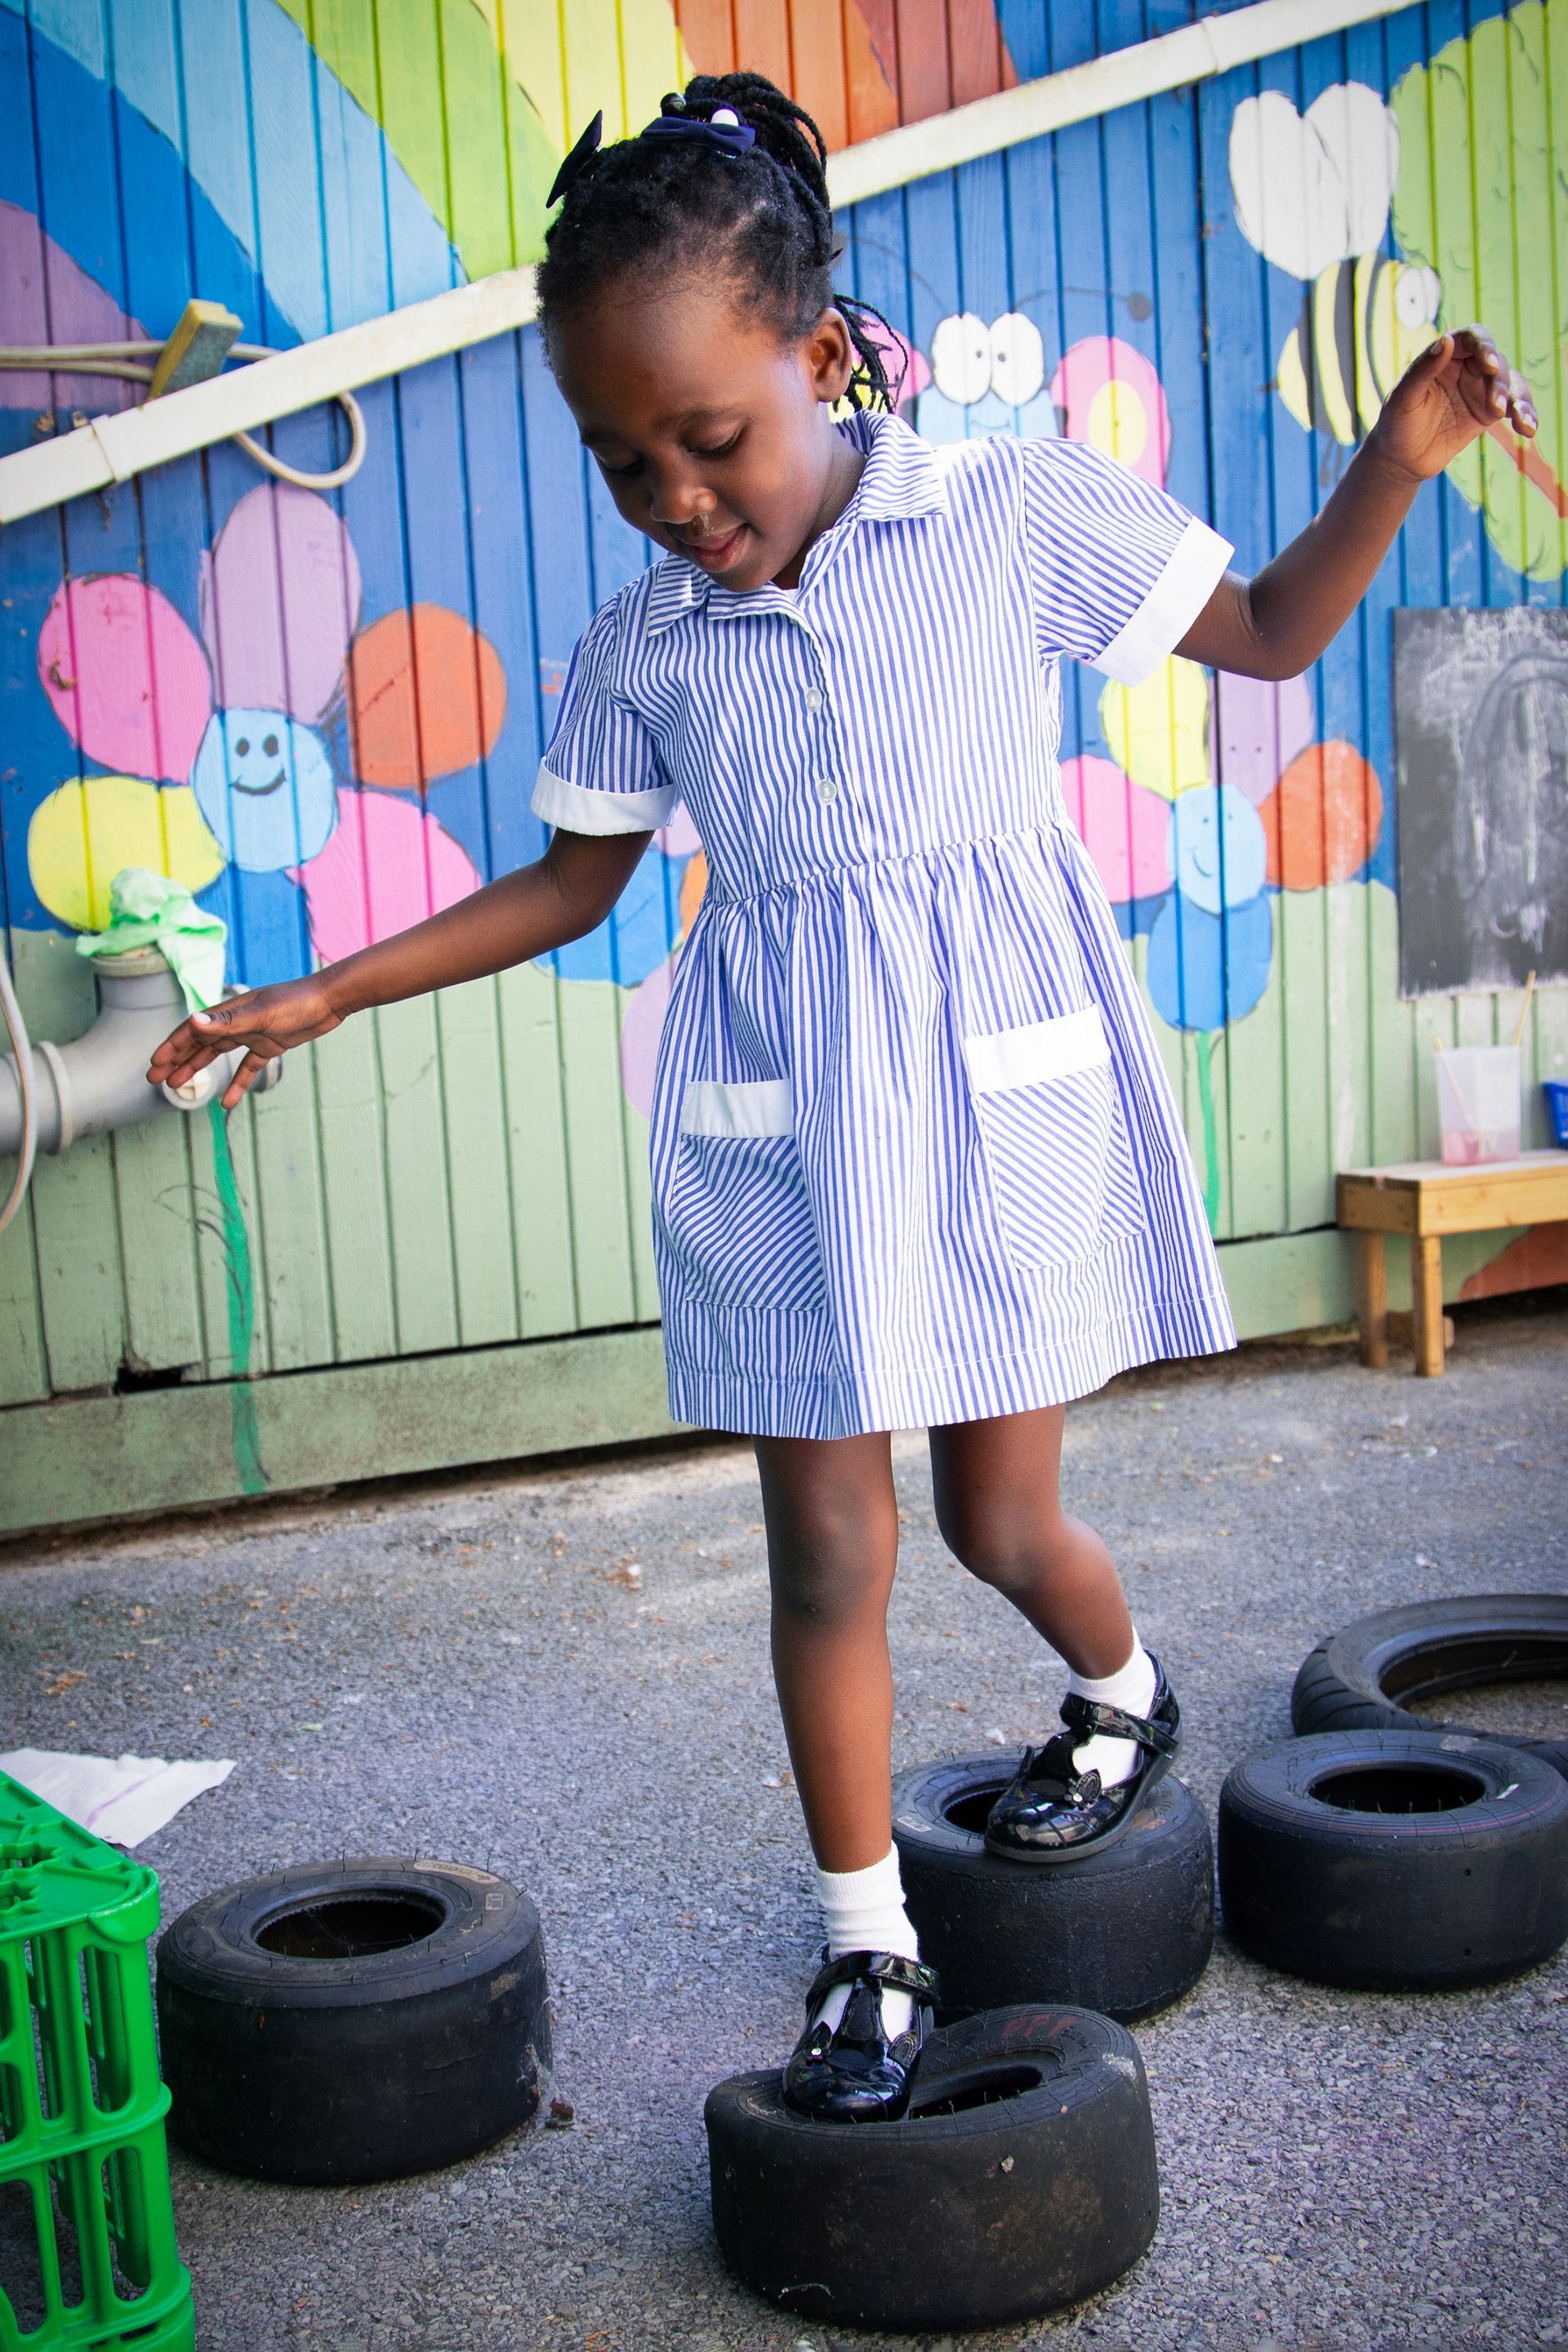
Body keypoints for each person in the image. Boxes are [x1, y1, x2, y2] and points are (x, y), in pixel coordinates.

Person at [149, 74, 1537, 2125]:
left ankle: (1125, 1698)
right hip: (786, 1127)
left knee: (999, 1514)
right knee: (827, 1549)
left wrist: (1401, 453)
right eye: (622, 462)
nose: (675, 495)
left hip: (994, 1101)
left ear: (810, 355)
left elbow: (1262, 633)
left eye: (706, 439)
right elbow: (571, 882)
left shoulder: (1005, 510)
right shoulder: (642, 646)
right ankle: (867, 1937)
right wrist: (331, 985)